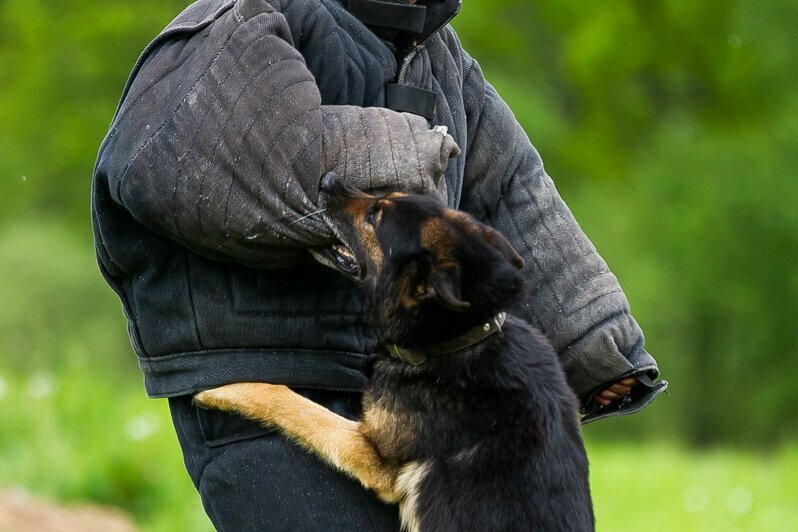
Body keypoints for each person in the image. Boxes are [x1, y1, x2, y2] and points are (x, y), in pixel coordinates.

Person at [91, 0, 667, 529]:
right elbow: (211, 156)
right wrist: (412, 155)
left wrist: (594, 339)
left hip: (394, 379)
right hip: (262, 370)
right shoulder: (247, 18)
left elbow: (510, 190)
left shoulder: (436, 54)